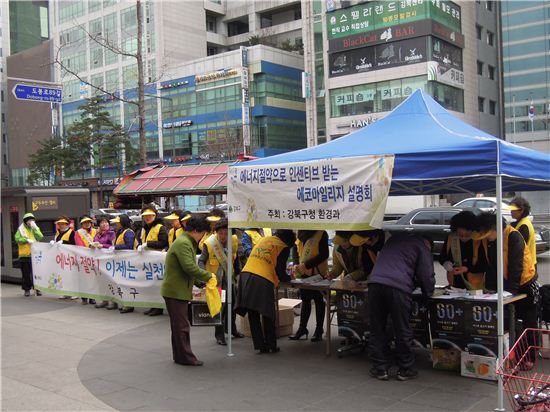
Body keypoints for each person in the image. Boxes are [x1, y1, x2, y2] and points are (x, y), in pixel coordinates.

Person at [367, 233, 435, 381]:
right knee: (402, 328)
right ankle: (406, 368)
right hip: (398, 288)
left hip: (374, 284)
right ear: (427, 244)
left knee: (377, 328)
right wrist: (428, 293)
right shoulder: (421, 246)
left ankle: (380, 368)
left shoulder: (392, 240)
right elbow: (426, 274)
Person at [475, 212, 538, 368]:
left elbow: (516, 267)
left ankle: (528, 358)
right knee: (509, 323)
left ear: (494, 228)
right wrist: (491, 289)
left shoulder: (513, 236)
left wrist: (510, 291)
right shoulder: (492, 241)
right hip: (505, 288)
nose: (486, 237)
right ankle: (510, 356)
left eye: (487, 233)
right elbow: (492, 266)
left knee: (526, 323)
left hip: (524, 286)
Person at [161, 215, 215, 366]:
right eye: (203, 233)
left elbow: (187, 269)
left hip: (176, 289)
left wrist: (200, 282)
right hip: (175, 291)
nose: (202, 237)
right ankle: (186, 357)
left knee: (178, 326)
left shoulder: (185, 241)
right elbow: (189, 267)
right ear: (197, 231)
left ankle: (179, 356)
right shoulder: (184, 243)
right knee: (181, 326)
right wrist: (209, 275)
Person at [236, 230, 296, 354]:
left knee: (253, 312)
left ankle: (260, 345)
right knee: (267, 313)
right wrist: (289, 279)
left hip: (246, 274)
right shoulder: (282, 247)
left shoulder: (264, 239)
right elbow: (280, 270)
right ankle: (271, 345)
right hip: (262, 278)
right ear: (289, 242)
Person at [198, 218, 243, 345]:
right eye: (221, 233)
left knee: (233, 305)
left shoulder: (233, 240)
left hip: (230, 279)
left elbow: (236, 258)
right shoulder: (210, 243)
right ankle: (219, 335)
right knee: (220, 308)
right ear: (216, 232)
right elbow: (201, 261)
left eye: (226, 233)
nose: (223, 236)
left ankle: (232, 329)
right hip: (216, 282)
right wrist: (204, 275)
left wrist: (239, 273)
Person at [289, 230, 329, 342]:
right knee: (305, 300)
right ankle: (302, 329)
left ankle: (319, 330)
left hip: (318, 274)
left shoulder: (321, 233)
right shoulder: (301, 233)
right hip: (304, 274)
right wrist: (297, 265)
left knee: (318, 300)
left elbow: (324, 254)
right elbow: (296, 251)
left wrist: (306, 265)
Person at [439, 211, 488, 290]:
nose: (463, 237)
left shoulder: (480, 240)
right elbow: (443, 256)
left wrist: (467, 268)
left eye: (467, 235)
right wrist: (446, 263)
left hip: (476, 284)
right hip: (455, 283)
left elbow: (485, 263)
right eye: (460, 235)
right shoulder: (451, 238)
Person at [137, 205, 168, 316]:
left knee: (158, 284)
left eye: (150, 215)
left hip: (157, 261)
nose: (148, 218)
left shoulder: (161, 227)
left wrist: (148, 244)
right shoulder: (144, 228)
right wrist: (141, 245)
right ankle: (153, 305)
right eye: (145, 216)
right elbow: (141, 240)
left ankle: (159, 308)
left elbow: (163, 242)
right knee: (150, 284)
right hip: (147, 262)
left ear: (155, 215)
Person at [111, 215, 136, 313]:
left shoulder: (128, 232)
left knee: (127, 284)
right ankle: (125, 303)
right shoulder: (121, 231)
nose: (117, 224)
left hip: (128, 262)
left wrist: (116, 247)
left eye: (118, 222)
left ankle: (129, 305)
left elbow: (129, 246)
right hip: (121, 262)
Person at [14, 213, 44, 297]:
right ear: (25, 221)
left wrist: (35, 229)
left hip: (35, 255)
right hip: (25, 255)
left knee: (37, 273)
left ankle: (38, 289)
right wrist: (26, 240)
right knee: (26, 274)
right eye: (29, 220)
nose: (31, 221)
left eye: (32, 220)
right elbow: (17, 239)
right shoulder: (20, 229)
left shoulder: (35, 228)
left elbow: (40, 237)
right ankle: (27, 289)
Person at [93, 216, 117, 310]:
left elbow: (112, 245)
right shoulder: (97, 234)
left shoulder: (112, 233)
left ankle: (113, 301)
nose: (104, 224)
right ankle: (104, 300)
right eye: (102, 222)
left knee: (110, 281)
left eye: (106, 222)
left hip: (109, 261)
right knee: (101, 281)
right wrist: (93, 245)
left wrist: (102, 245)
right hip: (100, 261)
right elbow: (95, 242)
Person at [510, 196, 538, 272]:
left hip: (527, 266)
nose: (511, 211)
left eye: (513, 209)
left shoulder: (523, 226)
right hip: (528, 263)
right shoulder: (521, 223)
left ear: (521, 210)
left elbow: (519, 249)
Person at [76, 215, 97, 305]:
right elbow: (79, 244)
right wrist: (89, 247)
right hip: (83, 257)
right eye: (85, 222)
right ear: (81, 224)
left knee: (93, 278)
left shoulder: (95, 231)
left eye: (88, 222)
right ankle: (84, 297)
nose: (87, 224)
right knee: (84, 278)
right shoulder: (78, 233)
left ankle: (92, 297)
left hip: (94, 257)